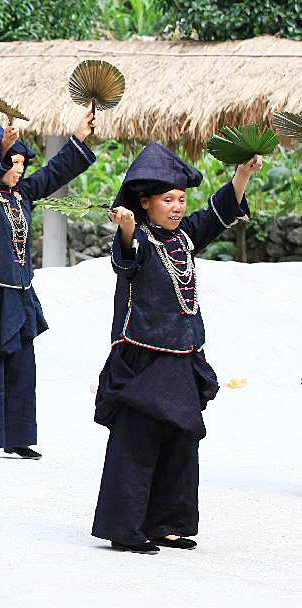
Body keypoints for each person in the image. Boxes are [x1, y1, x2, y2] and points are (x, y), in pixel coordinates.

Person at [91, 142, 262, 554]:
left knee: (182, 441)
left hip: (184, 356)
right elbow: (126, 255)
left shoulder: (184, 238)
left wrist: (243, 175)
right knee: (138, 442)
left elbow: (219, 213)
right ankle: (125, 528)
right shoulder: (138, 239)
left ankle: (167, 523)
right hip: (144, 358)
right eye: (167, 199)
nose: (177, 207)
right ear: (145, 202)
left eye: (181, 199)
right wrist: (127, 226)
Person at [0, 112, 96, 461]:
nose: (18, 170)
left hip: (20, 292)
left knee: (22, 366)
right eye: (10, 163)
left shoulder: (23, 195)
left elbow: (54, 172)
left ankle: (18, 436)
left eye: (20, 163)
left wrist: (77, 136)